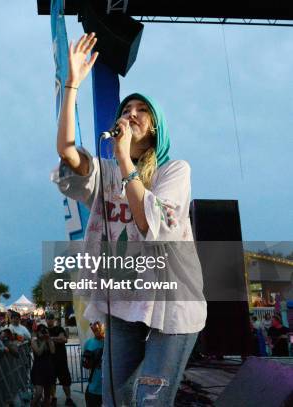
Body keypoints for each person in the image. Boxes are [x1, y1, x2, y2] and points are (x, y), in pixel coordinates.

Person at [53, 32, 207, 406]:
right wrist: (72, 84)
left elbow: (146, 221)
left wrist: (124, 160)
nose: (130, 114)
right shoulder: (105, 172)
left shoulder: (175, 171)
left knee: (149, 401)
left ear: (154, 127)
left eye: (140, 110)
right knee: (115, 399)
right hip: (126, 299)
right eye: (125, 110)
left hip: (173, 306)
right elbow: (67, 151)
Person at [45, 313, 74, 407]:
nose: (49, 320)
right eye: (48, 318)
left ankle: (68, 398)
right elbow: (60, 339)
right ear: (46, 320)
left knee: (65, 381)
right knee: (52, 381)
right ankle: (54, 398)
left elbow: (64, 339)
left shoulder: (59, 328)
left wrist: (50, 338)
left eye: (51, 318)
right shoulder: (44, 330)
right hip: (49, 360)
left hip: (61, 360)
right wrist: (57, 339)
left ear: (54, 320)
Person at [30, 323, 55, 407]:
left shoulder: (48, 340)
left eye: (44, 331)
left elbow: (53, 351)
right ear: (37, 332)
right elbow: (38, 352)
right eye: (41, 331)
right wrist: (44, 341)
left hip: (48, 368)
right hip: (38, 369)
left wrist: (49, 339)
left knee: (48, 395)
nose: (43, 333)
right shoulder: (34, 341)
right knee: (39, 393)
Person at [83, 322, 105, 407]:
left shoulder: (112, 343)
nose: (95, 326)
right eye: (92, 324)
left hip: (110, 391)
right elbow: (86, 366)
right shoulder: (88, 343)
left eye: (98, 323)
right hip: (93, 390)